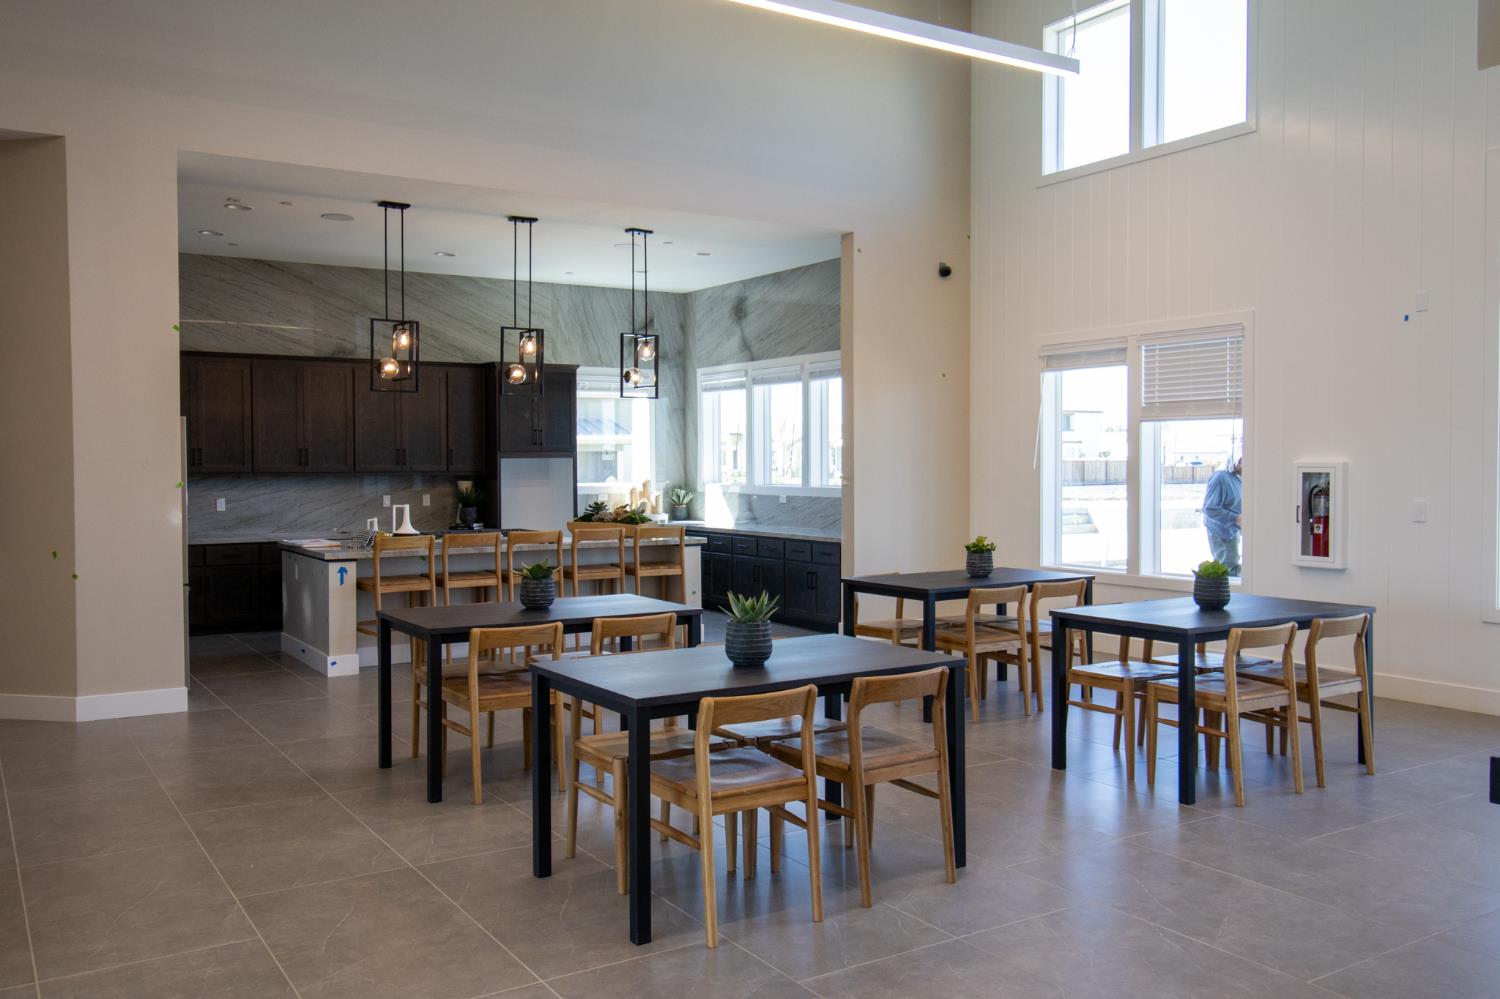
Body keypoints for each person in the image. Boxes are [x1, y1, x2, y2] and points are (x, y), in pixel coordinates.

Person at [1202, 456, 1243, 575]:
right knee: (1228, 571)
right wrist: (1236, 518)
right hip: (1222, 533)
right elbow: (1210, 509)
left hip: (1232, 531)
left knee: (1233, 569)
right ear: (1238, 461)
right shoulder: (1220, 478)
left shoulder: (1236, 478)